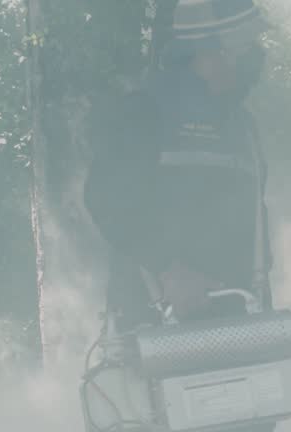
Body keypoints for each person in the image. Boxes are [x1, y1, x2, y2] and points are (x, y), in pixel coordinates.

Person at [83, 0, 274, 331]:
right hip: (153, 332)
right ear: (207, 50)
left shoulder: (243, 127)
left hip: (243, 328)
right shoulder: (142, 113)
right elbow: (104, 197)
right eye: (242, 45)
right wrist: (168, 269)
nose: (254, 55)